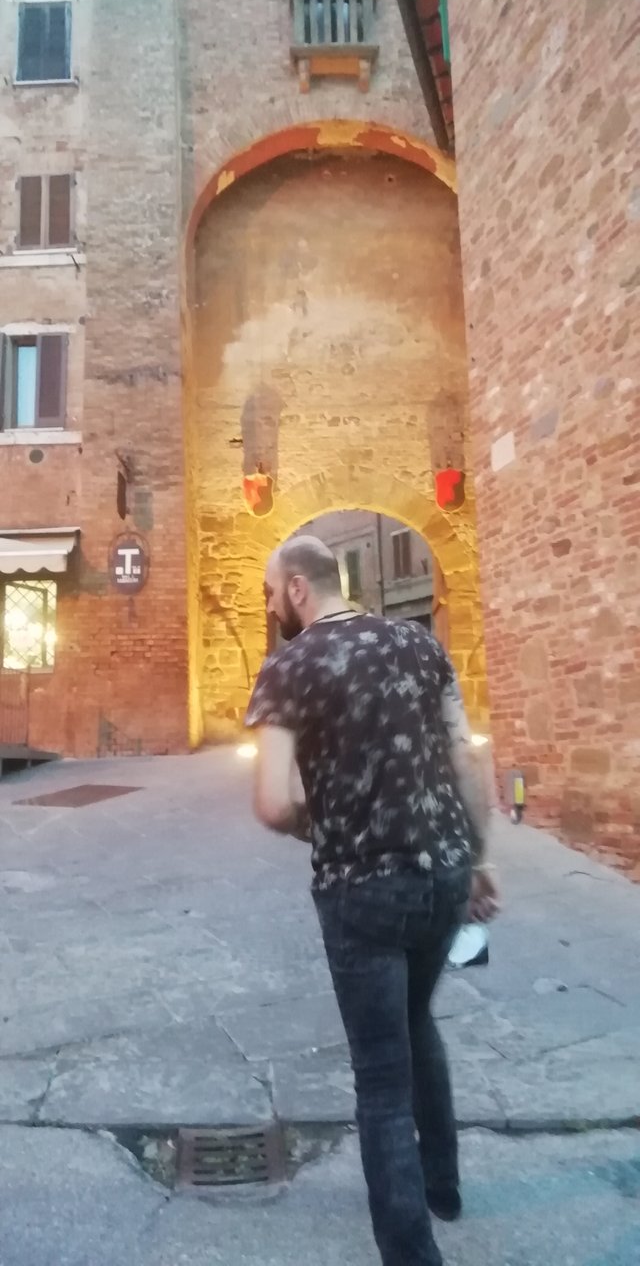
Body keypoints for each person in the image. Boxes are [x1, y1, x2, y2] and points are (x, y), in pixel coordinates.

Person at [245, 536, 499, 1266]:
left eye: (270, 593)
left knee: (381, 1076)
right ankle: (443, 1188)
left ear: (297, 587)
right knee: (418, 1021)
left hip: (361, 890)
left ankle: (411, 1253)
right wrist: (480, 860)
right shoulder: (420, 647)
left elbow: (271, 802)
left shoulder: (291, 666)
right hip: (445, 874)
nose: (270, 607)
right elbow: (465, 755)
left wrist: (323, 828)